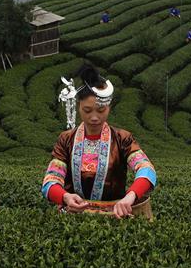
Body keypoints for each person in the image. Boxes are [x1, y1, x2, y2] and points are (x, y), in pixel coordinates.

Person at [42, 65, 157, 219]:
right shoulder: (66, 139)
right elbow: (50, 180)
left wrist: (130, 196)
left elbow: (146, 169)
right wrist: (65, 197)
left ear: (108, 108)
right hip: (73, 216)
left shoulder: (122, 139)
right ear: (79, 107)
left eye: (101, 111)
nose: (94, 117)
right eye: (87, 110)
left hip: (115, 215)